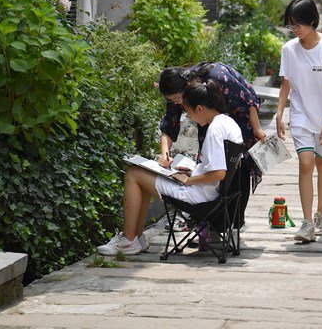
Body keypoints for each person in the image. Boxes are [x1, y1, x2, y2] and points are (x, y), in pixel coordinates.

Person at [97, 80, 244, 256]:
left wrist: (189, 180)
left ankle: (129, 239)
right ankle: (137, 237)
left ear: (199, 109)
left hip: (196, 195)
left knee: (133, 173)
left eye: (189, 113)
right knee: (142, 176)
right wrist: (191, 172)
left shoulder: (214, 130)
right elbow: (222, 168)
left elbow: (219, 173)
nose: (190, 118)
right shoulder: (228, 123)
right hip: (211, 192)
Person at [157, 62, 265, 224]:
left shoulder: (216, 76)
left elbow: (248, 101)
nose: (177, 103)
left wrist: (257, 128)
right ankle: (206, 224)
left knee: (235, 170)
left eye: (177, 99)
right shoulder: (180, 95)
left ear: (187, 86)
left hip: (238, 122)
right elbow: (169, 124)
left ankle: (225, 220)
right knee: (209, 165)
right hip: (209, 122)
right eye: (172, 100)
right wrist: (165, 154)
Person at [276, 0, 322, 243]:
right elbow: (285, 85)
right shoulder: (289, 49)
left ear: (313, 21)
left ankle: (320, 215)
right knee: (306, 163)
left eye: (299, 24)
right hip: (301, 116)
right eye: (291, 25)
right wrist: (279, 113)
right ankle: (306, 223)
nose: (295, 29)